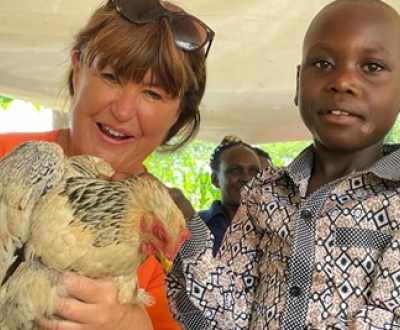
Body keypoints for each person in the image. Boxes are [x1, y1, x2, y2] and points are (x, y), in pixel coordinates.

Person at [166, 0, 400, 329]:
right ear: (298, 83)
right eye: (323, 63)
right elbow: (228, 312)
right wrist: (185, 226)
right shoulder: (265, 195)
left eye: (372, 66)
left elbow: (387, 318)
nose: (343, 81)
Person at [0, 0, 214, 329]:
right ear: (77, 67)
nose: (124, 111)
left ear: (178, 115)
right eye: (111, 76)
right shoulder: (8, 157)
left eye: (153, 94)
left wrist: (132, 323)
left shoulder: (163, 238)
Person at [198, 135, 261, 256]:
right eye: (236, 170)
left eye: (254, 172)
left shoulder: (273, 227)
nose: (247, 178)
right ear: (215, 179)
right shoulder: (195, 226)